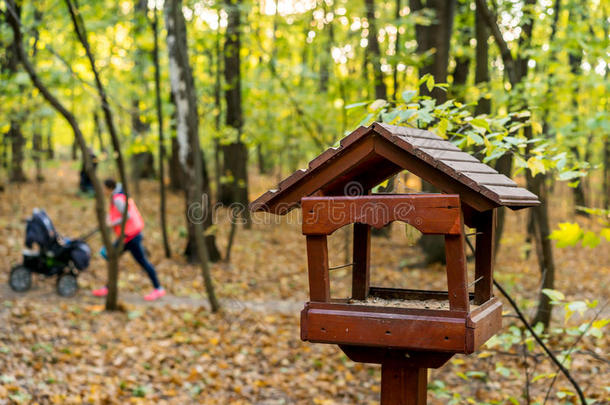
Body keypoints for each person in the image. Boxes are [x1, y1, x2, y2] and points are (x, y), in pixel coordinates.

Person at [92, 178, 165, 301]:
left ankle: (158, 288)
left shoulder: (118, 199)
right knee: (110, 256)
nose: (103, 191)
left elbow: (127, 215)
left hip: (131, 237)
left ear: (109, 188)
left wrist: (112, 223)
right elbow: (116, 214)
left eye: (104, 188)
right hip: (128, 236)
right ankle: (109, 287)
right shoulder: (118, 196)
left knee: (139, 261)